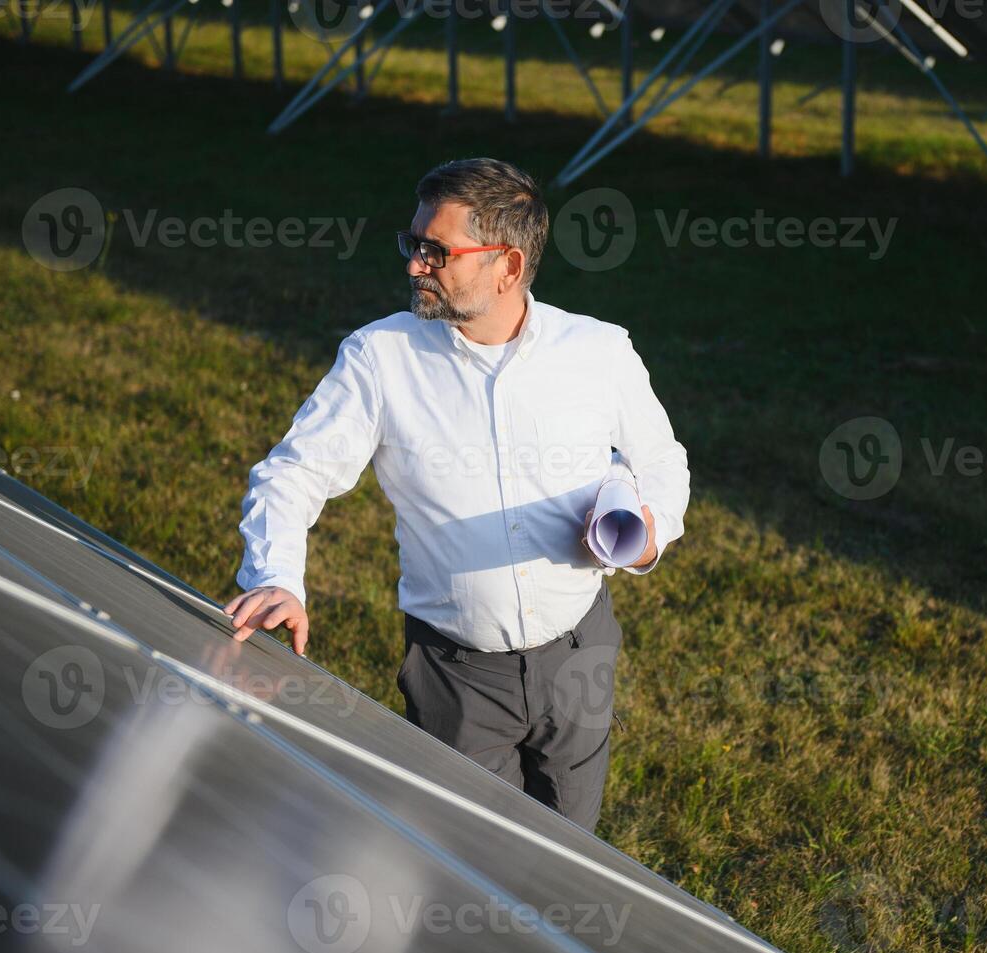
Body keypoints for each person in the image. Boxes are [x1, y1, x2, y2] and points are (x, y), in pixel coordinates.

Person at [223, 158, 690, 834]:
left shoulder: (598, 351)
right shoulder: (380, 358)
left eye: (435, 250)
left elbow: (660, 462)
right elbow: (293, 473)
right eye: (412, 243)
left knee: (568, 850)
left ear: (507, 265)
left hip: (581, 652)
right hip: (456, 673)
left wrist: (651, 532)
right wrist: (275, 577)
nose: (415, 265)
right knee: (467, 856)